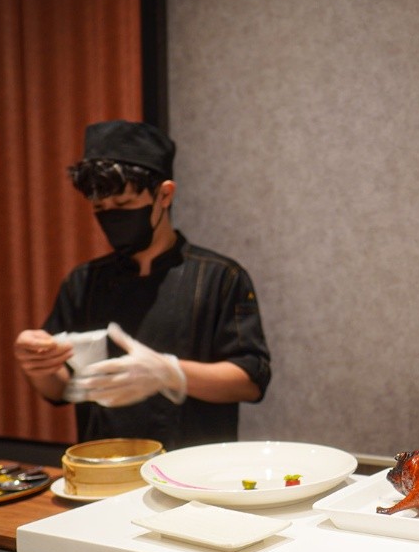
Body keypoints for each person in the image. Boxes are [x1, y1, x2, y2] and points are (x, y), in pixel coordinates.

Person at [14, 120, 271, 450]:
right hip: (106, 466)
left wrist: (168, 372)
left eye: (123, 205)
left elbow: (251, 382)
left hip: (195, 470)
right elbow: (60, 390)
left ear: (164, 195)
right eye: (100, 208)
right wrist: (37, 364)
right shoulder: (84, 282)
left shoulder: (220, 277)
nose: (111, 217)